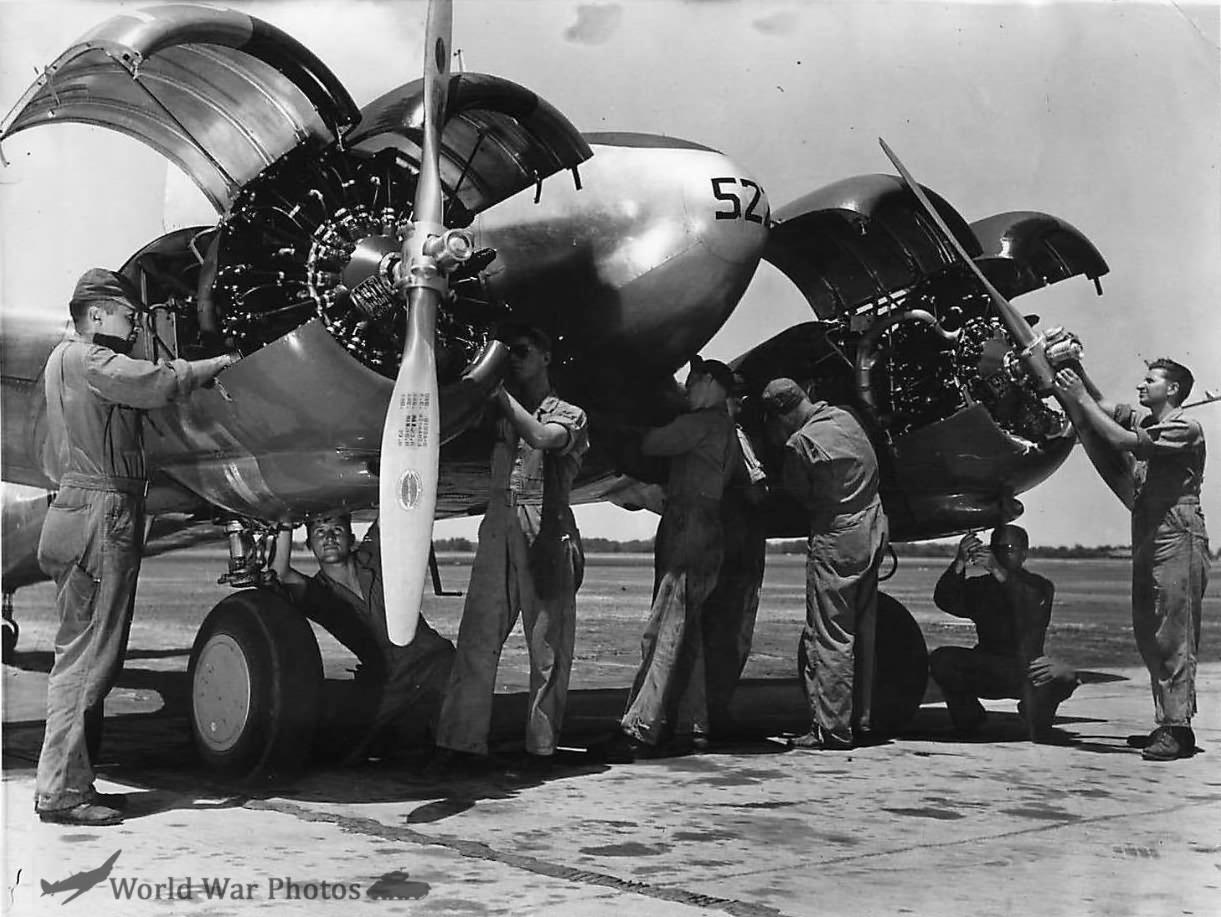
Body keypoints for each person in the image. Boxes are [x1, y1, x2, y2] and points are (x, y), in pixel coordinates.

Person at [35, 267, 236, 826]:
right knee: (89, 661)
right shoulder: (92, 361)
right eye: (127, 316)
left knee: (77, 654)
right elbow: (157, 383)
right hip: (101, 515)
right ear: (96, 314)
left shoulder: (60, 361)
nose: (133, 326)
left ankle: (73, 782)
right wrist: (219, 362)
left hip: (74, 511)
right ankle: (62, 792)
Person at [432, 325, 589, 773]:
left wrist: (495, 388)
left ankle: (541, 750)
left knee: (548, 648)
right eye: (506, 354)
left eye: (520, 352)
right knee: (477, 638)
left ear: (546, 357)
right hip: (498, 528)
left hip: (546, 532)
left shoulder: (570, 414)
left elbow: (541, 437)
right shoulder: (500, 411)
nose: (513, 359)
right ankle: (459, 744)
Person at [1054, 359, 1209, 761]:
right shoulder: (1150, 422)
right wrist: (1076, 370)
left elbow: (1121, 440)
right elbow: (1105, 405)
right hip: (1150, 532)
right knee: (1149, 630)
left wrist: (1077, 396)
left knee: (1173, 633)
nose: (1142, 384)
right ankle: (1169, 724)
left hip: (1178, 533)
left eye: (1151, 379)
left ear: (1172, 390)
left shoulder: (1184, 428)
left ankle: (1177, 728)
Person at [602, 357, 738, 761]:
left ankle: (641, 727)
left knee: (663, 627)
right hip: (707, 524)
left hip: (688, 524)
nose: (687, 386)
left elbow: (653, 444)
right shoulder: (727, 427)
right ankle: (693, 725)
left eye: (694, 379)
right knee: (686, 630)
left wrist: (612, 425)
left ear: (712, 382)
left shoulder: (702, 424)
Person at [761, 377, 887, 751]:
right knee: (863, 630)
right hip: (874, 525)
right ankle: (861, 720)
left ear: (780, 415)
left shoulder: (800, 444)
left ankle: (831, 730)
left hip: (838, 538)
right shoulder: (844, 418)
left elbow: (798, 493)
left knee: (830, 636)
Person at [271, 511, 455, 762]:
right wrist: (285, 520)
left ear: (352, 538)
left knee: (459, 740)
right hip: (388, 678)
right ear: (309, 546)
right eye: (319, 533)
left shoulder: (376, 557)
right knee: (347, 750)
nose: (329, 538)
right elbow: (279, 573)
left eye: (337, 530)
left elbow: (390, 513)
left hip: (433, 660)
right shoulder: (317, 594)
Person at [930, 526, 1078, 743]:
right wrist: (960, 561)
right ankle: (968, 718)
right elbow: (945, 599)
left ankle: (1036, 718)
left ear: (1024, 553)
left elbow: (1029, 603)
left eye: (1008, 548)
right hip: (989, 667)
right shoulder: (982, 588)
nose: (1001, 554)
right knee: (942, 659)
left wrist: (997, 570)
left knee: (1064, 675)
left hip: (1026, 669)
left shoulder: (1040, 586)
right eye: (996, 549)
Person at [701, 376, 768, 740]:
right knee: (730, 627)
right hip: (737, 541)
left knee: (713, 625)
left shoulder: (703, 429)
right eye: (737, 397)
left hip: (715, 537)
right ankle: (715, 711)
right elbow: (757, 492)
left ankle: (702, 710)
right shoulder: (732, 433)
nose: (741, 404)